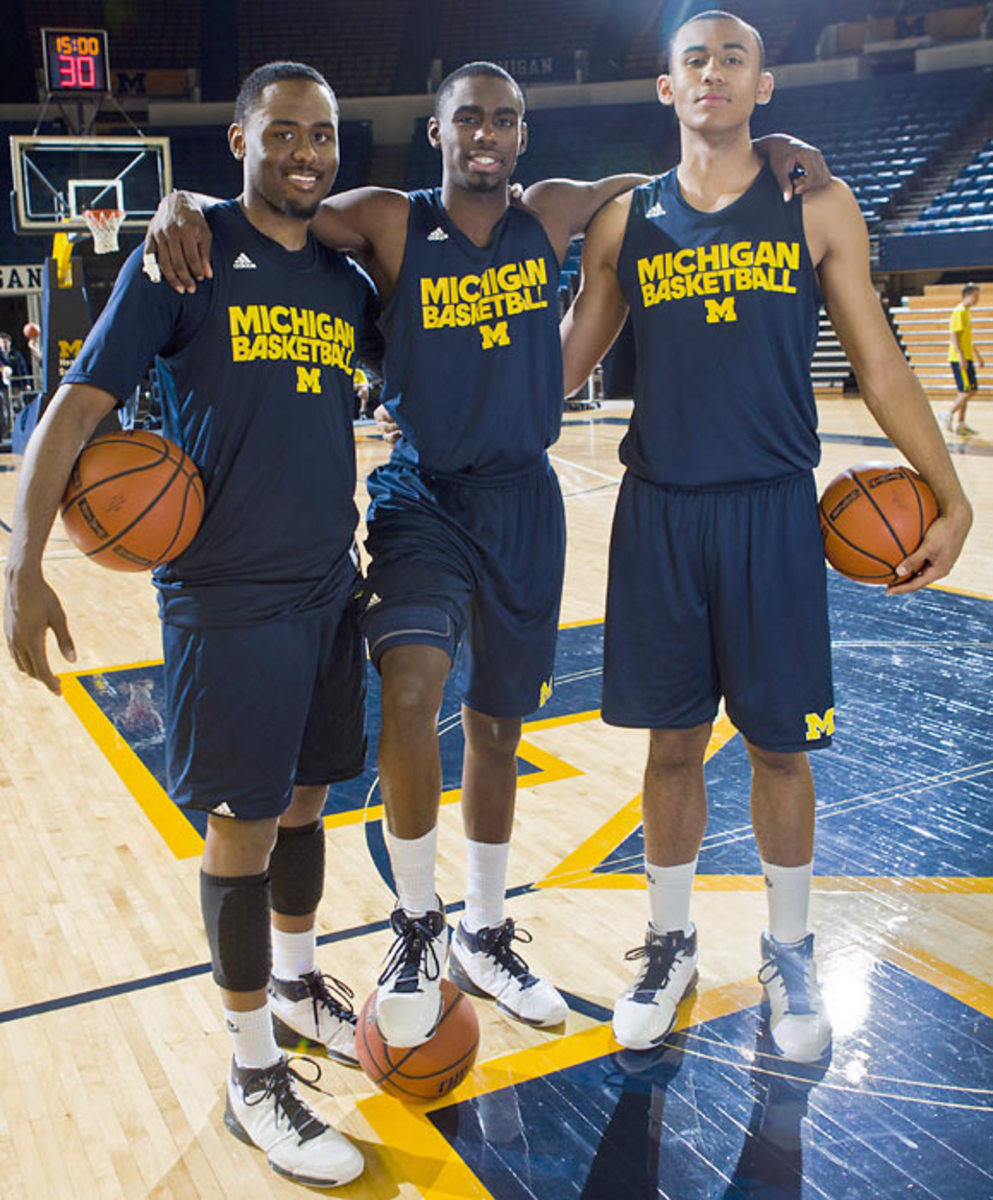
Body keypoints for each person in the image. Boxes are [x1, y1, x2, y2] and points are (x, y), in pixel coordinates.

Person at [144, 60, 830, 1050]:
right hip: (425, 494)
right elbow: (275, 207)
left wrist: (767, 148)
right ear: (438, 131)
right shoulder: (387, 219)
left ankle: (484, 929)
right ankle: (417, 924)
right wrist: (186, 204)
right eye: (469, 118)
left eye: (505, 120)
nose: (487, 134)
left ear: (521, 134)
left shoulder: (550, 211)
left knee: (498, 728)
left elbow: (664, 180)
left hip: (523, 503)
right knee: (412, 685)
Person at [561, 10, 972, 1062]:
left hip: (773, 511)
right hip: (661, 513)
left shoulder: (815, 204)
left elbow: (878, 363)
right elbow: (559, 368)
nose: (713, 72)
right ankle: (668, 943)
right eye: (693, 59)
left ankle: (790, 950)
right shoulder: (624, 222)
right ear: (666, 87)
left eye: (733, 57)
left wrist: (950, 495)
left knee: (780, 750)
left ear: (763, 84)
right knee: (671, 746)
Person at [4, 62, 383, 1188]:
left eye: (323, 135)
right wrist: (22, 563)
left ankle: (299, 985)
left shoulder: (342, 280)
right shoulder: (183, 255)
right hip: (227, 598)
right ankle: (251, 1073)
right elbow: (76, 406)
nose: (306, 152)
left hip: (327, 584)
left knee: (308, 800)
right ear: (239, 139)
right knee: (242, 828)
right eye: (285, 133)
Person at [944, 282, 984, 436]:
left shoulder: (967, 312)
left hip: (967, 357)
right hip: (959, 358)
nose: (977, 299)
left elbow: (967, 339)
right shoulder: (958, 312)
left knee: (967, 390)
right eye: (975, 296)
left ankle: (961, 423)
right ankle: (948, 413)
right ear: (967, 295)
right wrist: (961, 357)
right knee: (968, 390)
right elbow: (953, 336)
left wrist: (977, 356)